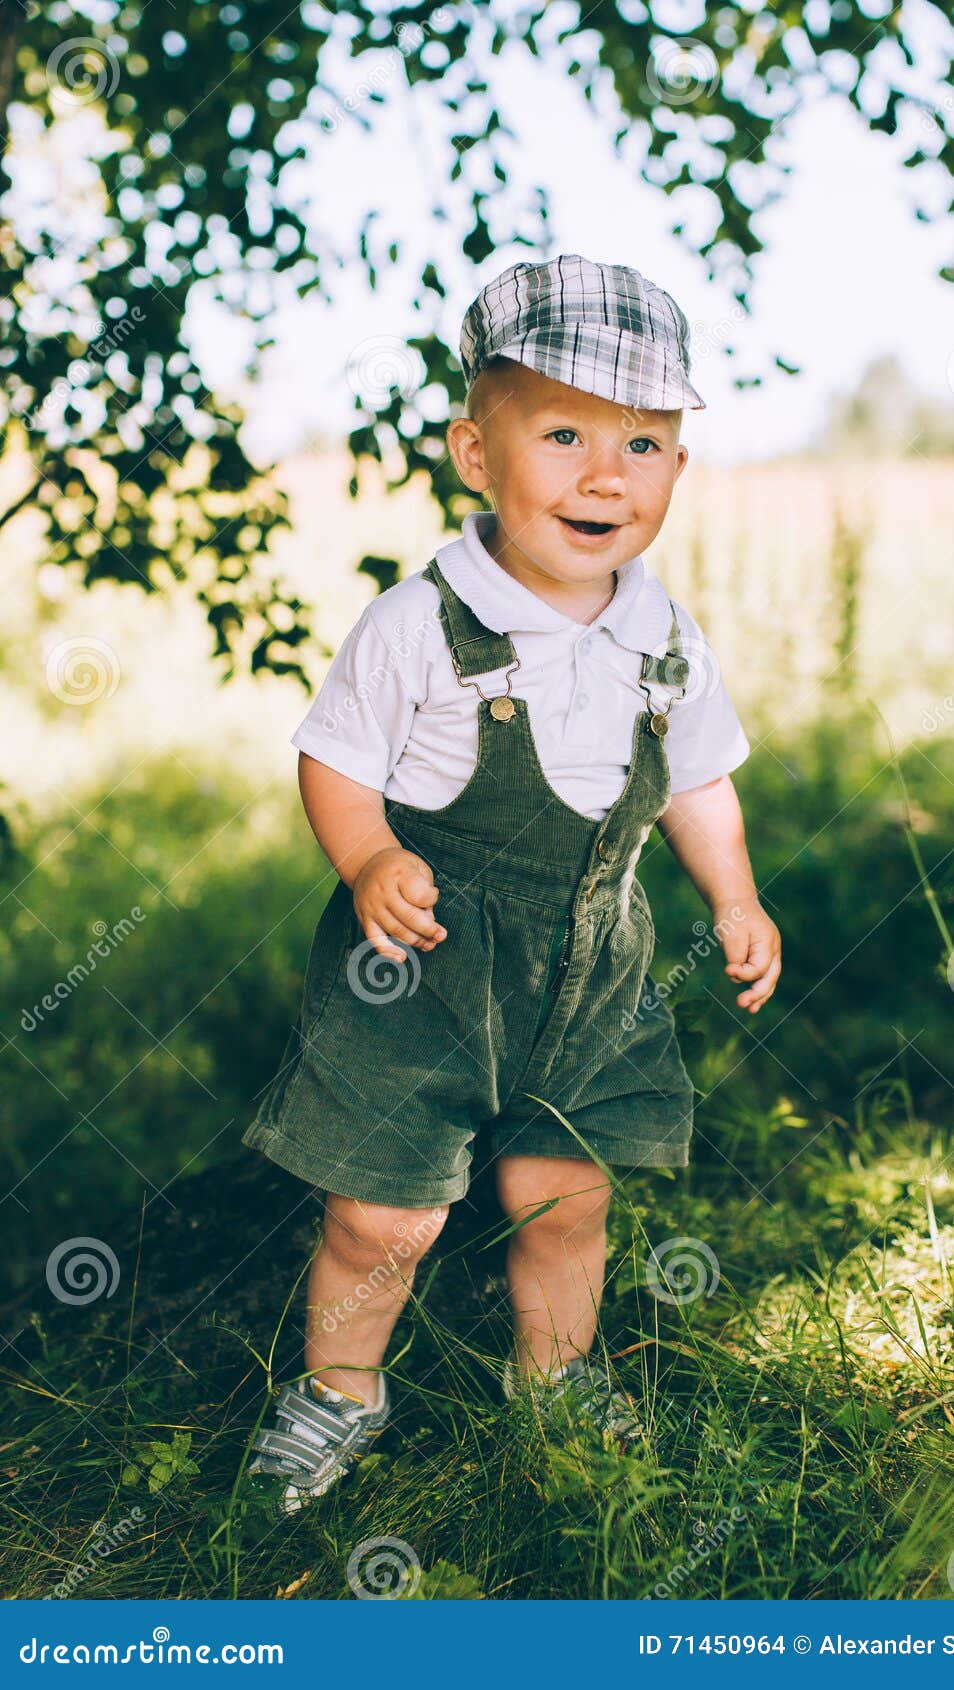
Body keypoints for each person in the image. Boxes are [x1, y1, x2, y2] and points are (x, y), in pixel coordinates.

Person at [241, 252, 782, 1516]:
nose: (606, 473)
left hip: (592, 971)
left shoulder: (665, 637)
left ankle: (553, 1382)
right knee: (384, 1216)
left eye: (643, 443)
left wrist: (733, 897)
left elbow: (698, 780)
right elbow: (333, 755)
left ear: (677, 471)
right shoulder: (420, 623)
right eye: (562, 432)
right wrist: (369, 855)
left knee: (564, 1193)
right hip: (420, 970)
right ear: (474, 455)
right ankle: (338, 1392)